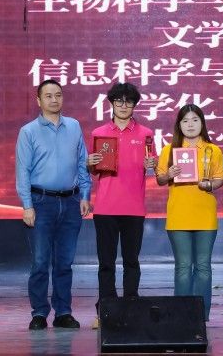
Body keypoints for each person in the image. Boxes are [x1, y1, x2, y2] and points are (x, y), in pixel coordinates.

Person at [15, 79, 92, 330]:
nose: (54, 100)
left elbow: (82, 163)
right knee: (40, 262)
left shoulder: (74, 126)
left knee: (65, 262)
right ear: (38, 101)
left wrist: (85, 195)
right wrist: (27, 205)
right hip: (41, 202)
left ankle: (63, 312)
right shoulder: (28, 131)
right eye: (48, 96)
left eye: (58, 95)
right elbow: (23, 171)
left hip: (71, 202)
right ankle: (39, 312)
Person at [86, 82, 156, 328]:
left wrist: (152, 166)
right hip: (105, 208)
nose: (123, 106)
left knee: (131, 262)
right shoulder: (99, 133)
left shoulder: (146, 133)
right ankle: (106, 312)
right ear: (112, 104)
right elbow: (94, 170)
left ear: (134, 105)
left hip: (134, 208)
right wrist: (90, 163)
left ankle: (131, 309)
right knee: (106, 263)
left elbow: (151, 166)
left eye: (128, 101)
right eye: (119, 101)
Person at [155, 104, 223, 320]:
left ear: (202, 123)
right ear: (179, 125)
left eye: (195, 120)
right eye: (185, 121)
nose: (190, 125)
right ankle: (181, 316)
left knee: (203, 267)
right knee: (183, 267)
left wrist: (209, 184)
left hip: (205, 215)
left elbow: (219, 178)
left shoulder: (213, 150)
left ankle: (200, 316)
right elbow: (160, 179)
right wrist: (169, 174)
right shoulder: (169, 150)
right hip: (179, 216)